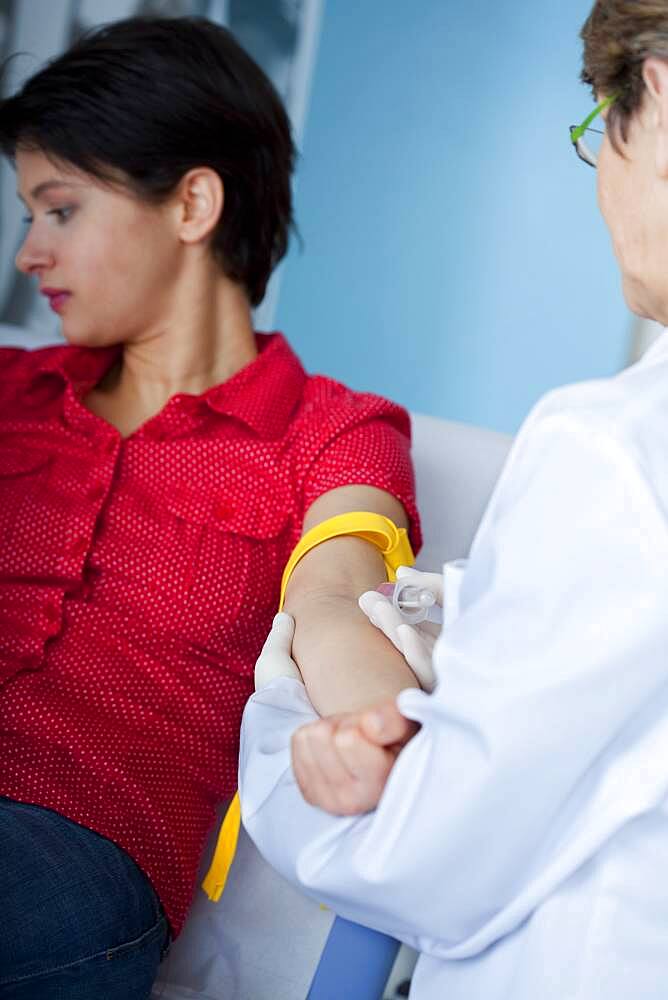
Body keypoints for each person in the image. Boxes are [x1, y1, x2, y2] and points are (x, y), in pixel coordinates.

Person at [239, 2, 668, 997]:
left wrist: (285, 717)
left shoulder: (614, 446)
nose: (598, 184)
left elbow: (420, 853)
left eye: (594, 136)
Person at [0, 16, 422, 999]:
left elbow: (337, 596)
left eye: (57, 210)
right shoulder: (13, 395)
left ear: (191, 202)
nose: (28, 252)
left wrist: (376, 732)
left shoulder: (333, 431)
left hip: (82, 848)